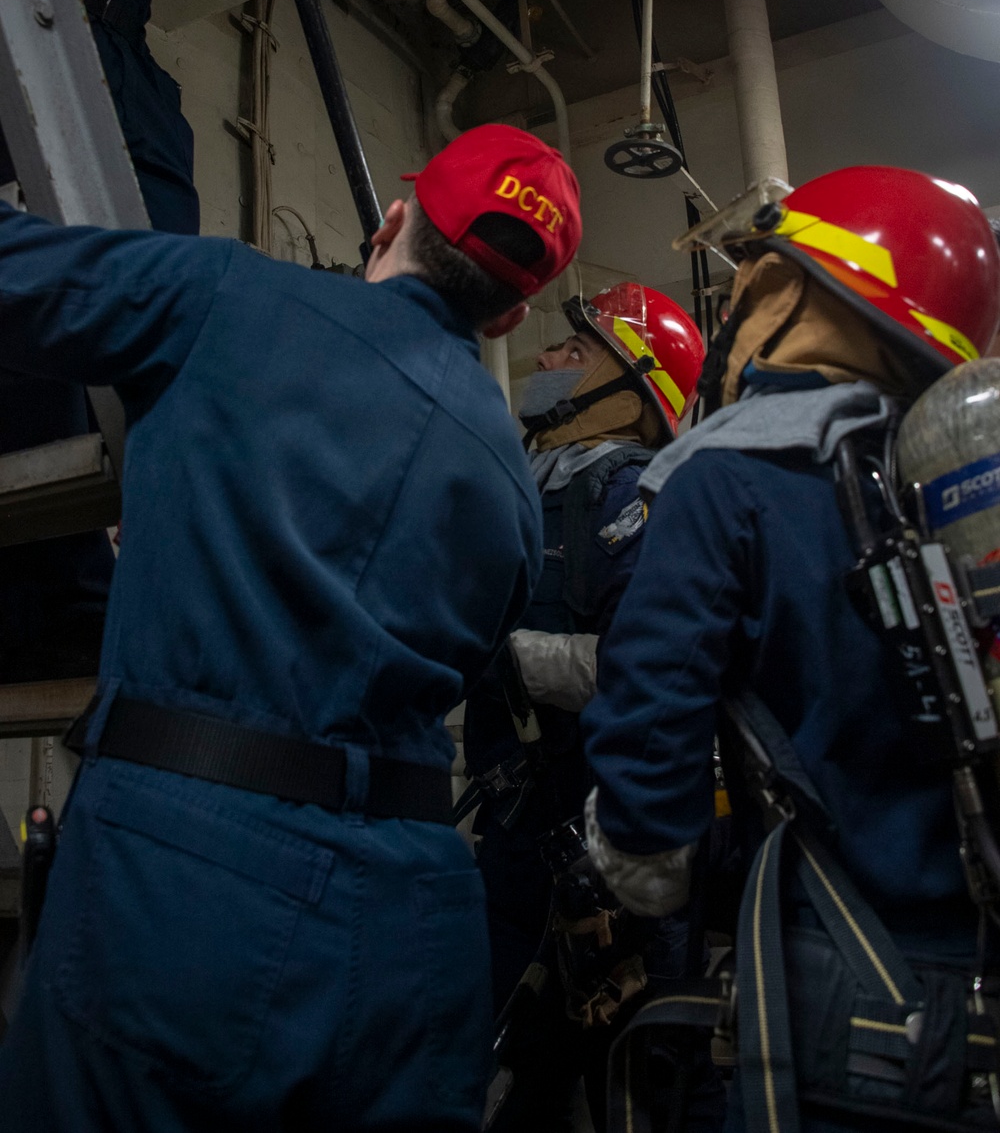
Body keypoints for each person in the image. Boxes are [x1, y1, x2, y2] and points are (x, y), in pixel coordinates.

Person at [0, 123, 581, 1133]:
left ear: (390, 223)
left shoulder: (232, 297)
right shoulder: (514, 489)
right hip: (416, 921)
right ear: (511, 315)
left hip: (181, 887)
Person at [581, 166, 1000, 1131]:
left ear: (794, 288)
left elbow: (650, 742)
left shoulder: (729, 475)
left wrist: (637, 870)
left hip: (845, 1007)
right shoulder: (945, 489)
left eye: (750, 276)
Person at [0, 0, 215, 680]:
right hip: (47, 99)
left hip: (121, 107)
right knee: (45, 352)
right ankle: (59, 590)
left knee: (132, 343)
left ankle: (86, 581)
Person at [462, 282, 710, 1131]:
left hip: (603, 859)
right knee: (509, 1080)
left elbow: (656, 671)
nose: (546, 360)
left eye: (574, 352)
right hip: (512, 839)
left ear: (628, 390)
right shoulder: (524, 488)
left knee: (624, 1084)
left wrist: (512, 661)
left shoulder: (633, 497)